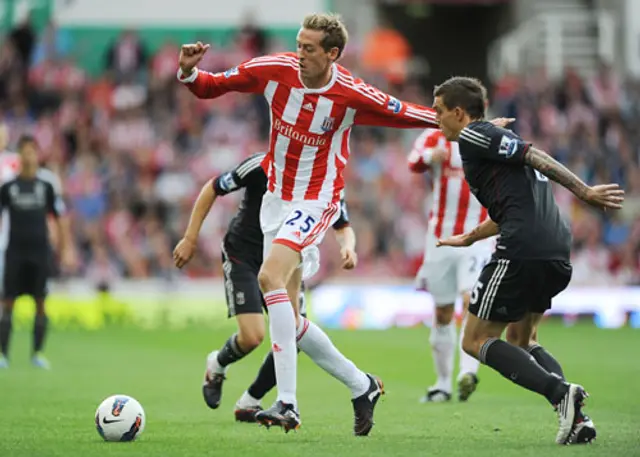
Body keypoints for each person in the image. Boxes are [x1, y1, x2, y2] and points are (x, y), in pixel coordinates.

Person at [176, 13, 442, 432]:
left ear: (332, 54)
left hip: (317, 199)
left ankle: (287, 403)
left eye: (309, 48)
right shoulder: (274, 71)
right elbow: (211, 86)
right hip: (276, 201)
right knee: (293, 320)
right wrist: (189, 71)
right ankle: (361, 385)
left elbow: (406, 112)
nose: (299, 54)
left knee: (269, 278)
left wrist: (471, 128)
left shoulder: (351, 94)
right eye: (299, 44)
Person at [432, 76, 623, 444]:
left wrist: (583, 190)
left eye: (439, 112)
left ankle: (559, 393)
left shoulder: (474, 137)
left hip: (520, 248)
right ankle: (577, 418)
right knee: (522, 338)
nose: (435, 119)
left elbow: (535, 155)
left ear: (458, 113)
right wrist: (470, 237)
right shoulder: (487, 141)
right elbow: (511, 205)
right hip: (554, 247)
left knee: (474, 341)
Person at [173, 153, 379, 435]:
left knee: (291, 331)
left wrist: (348, 247)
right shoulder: (261, 165)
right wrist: (190, 237)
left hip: (286, 259)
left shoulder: (324, 179)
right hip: (244, 256)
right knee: (253, 336)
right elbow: (213, 187)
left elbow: (342, 223)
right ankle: (218, 365)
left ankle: (253, 401)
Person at [409, 128, 492, 403]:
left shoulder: (487, 136)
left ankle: (467, 373)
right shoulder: (434, 136)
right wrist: (432, 156)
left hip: (477, 236)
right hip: (441, 238)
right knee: (443, 311)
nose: (437, 114)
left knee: (471, 299)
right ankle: (442, 384)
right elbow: (414, 160)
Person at [0, 135, 74, 369]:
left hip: (40, 251)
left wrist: (65, 249)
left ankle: (37, 353)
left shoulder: (46, 186)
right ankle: (3, 355)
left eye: (32, 150)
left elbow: (59, 218)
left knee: (41, 301)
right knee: (7, 302)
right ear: (19, 155)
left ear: (37, 154)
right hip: (15, 251)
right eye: (24, 151)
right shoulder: (8, 187)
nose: (28, 155)